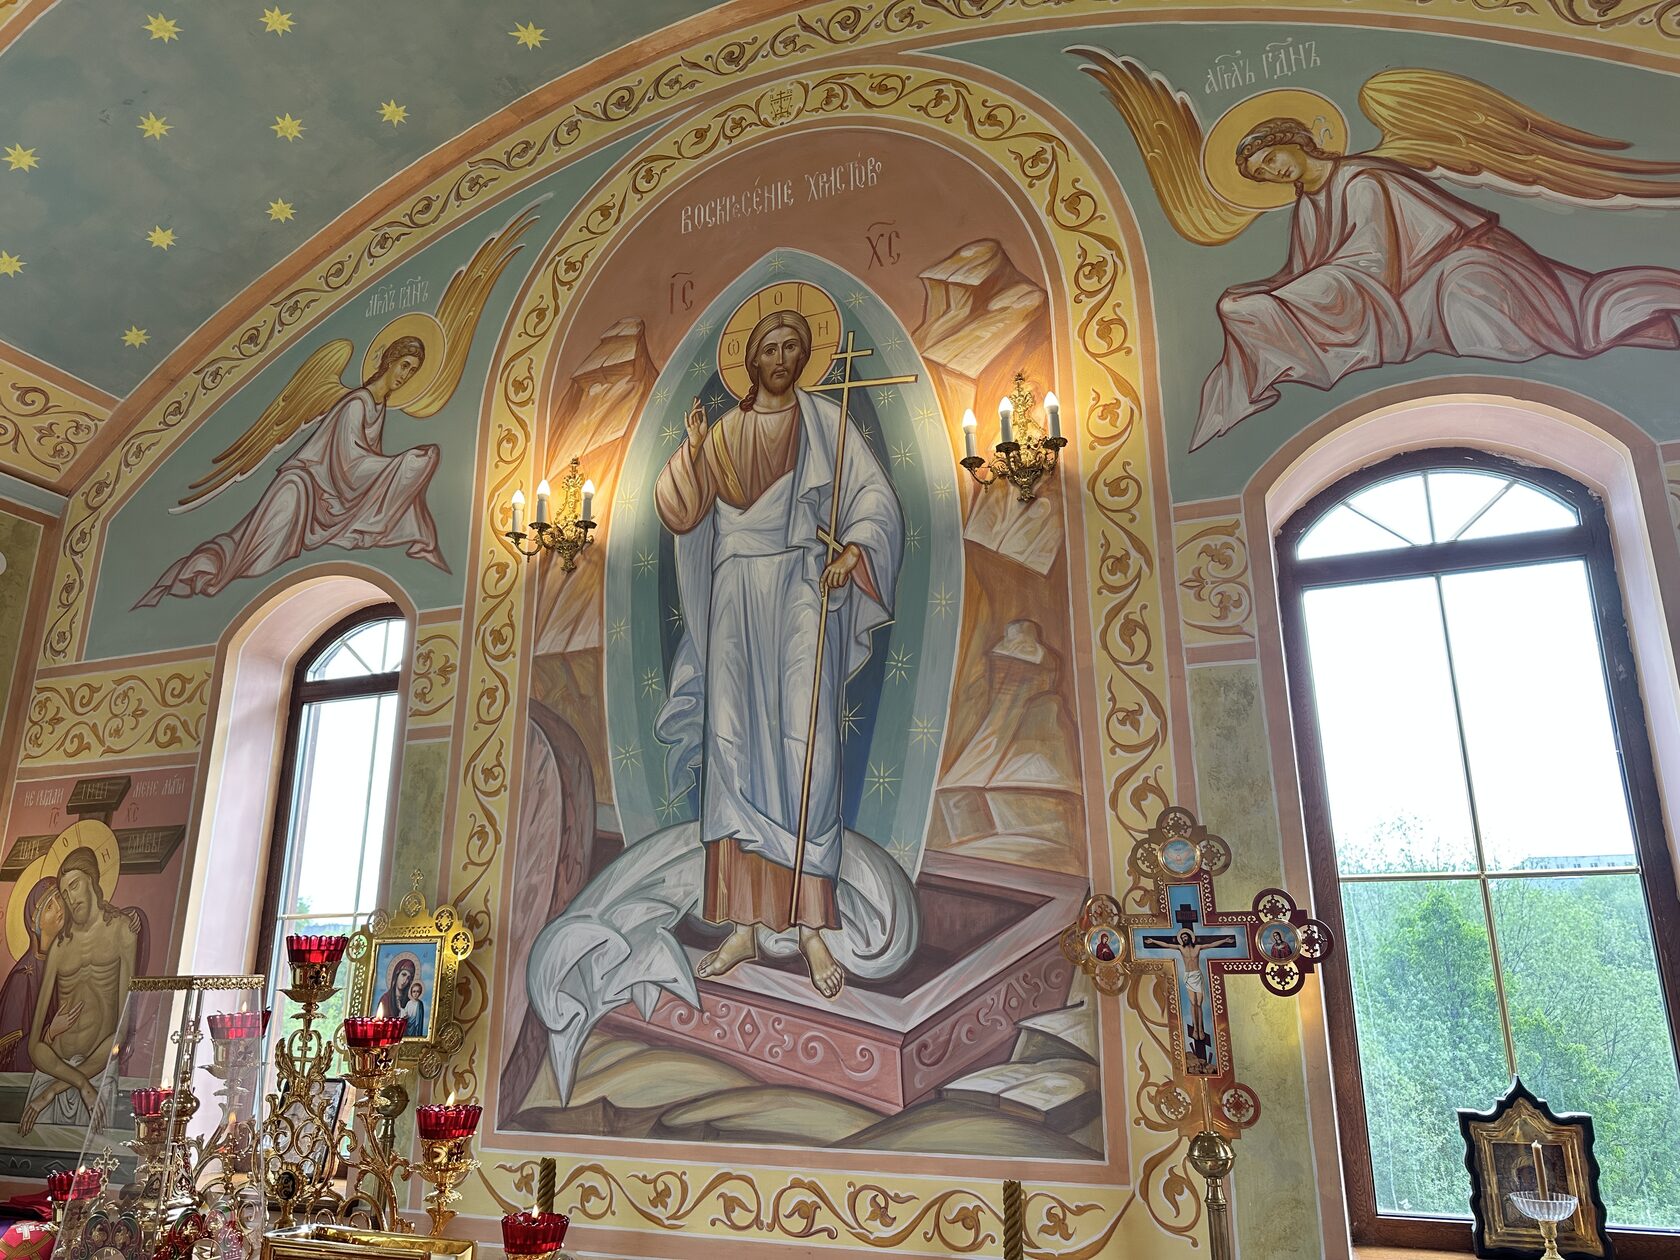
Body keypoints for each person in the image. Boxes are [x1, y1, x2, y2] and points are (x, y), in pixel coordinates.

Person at [653, 307, 904, 999]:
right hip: (735, 589)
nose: (783, 357)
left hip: (799, 588)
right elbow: (682, 513)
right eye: (771, 347)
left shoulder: (825, 422)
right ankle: (743, 926)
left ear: (803, 356)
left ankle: (812, 930)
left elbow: (875, 501)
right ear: (752, 360)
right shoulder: (723, 433)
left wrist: (854, 550)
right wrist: (692, 453)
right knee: (733, 747)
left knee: (806, 750)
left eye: (794, 346)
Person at [1192, 118, 1680, 448]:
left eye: (1271, 157)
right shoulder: (1308, 206)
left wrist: (1290, 294)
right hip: (1387, 287)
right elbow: (1303, 268)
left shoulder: (1361, 179)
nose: (1272, 171)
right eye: (1262, 173)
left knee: (1467, 296)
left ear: (1294, 141)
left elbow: (1373, 258)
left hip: (1446, 265)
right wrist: (1265, 288)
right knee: (1240, 305)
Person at [135, 336, 448, 606]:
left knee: (412, 469)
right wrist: (401, 463)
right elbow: (350, 465)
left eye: (412, 370)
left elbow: (360, 470)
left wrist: (401, 466)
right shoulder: (357, 403)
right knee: (248, 557)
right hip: (301, 490)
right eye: (404, 365)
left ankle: (421, 540)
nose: (406, 375)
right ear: (389, 361)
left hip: (326, 497)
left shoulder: (378, 408)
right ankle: (201, 570)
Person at [19, 848, 139, 1134]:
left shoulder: (122, 931)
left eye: (74, 886)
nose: (70, 899)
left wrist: (56, 1089)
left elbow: (120, 1033)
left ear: (92, 880)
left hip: (97, 1071)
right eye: (64, 893)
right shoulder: (60, 948)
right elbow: (35, 1046)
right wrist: (77, 1083)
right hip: (54, 1069)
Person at [0, 880, 69, 1072]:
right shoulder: (22, 978)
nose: (59, 908)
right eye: (49, 907)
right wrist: (50, 1033)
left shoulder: (62, 963)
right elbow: (8, 1057)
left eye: (59, 899)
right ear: (37, 924)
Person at [373, 957, 418, 1026]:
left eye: (408, 978)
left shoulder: (409, 1002)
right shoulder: (385, 999)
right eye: (403, 975)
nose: (405, 980)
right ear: (397, 974)